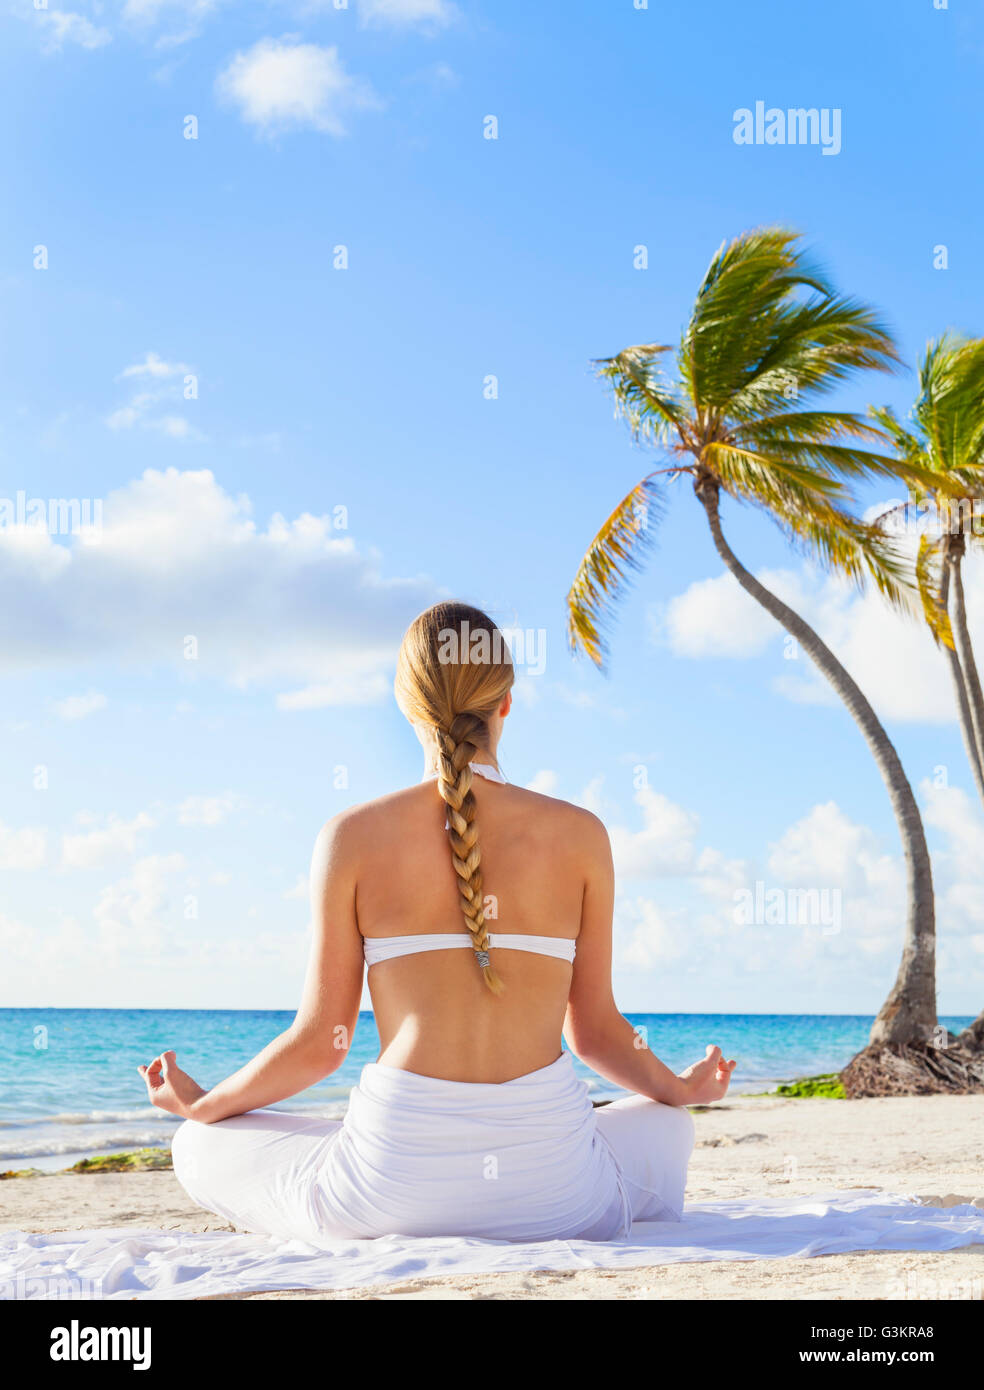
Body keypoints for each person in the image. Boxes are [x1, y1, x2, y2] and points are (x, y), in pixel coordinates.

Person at [140, 602, 736, 1243]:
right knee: (669, 1123)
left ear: (407, 706)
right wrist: (678, 1087)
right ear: (506, 703)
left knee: (198, 1146)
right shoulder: (582, 835)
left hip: (389, 1190)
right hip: (557, 1193)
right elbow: (593, 1036)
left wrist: (205, 1105)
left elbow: (323, 1044)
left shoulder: (349, 837)